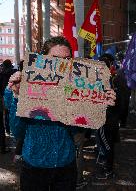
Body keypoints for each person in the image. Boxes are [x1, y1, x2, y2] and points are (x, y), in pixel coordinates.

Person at [4, 36, 116, 191]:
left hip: (66, 166)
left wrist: (98, 104)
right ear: (43, 60)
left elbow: (78, 131)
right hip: (34, 167)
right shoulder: (26, 86)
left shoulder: (74, 89)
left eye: (67, 59)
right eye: (55, 59)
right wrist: (16, 97)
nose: (62, 65)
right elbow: (17, 132)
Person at [0, 59, 14, 153]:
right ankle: (2, 147)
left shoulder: (2, 74)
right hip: (10, 97)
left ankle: (8, 131)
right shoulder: (13, 73)